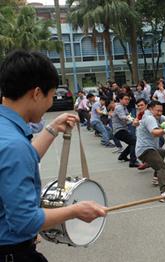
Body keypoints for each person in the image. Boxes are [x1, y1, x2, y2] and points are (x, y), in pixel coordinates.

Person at [0, 50, 106, 261]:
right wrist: (75, 210)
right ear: (37, 93)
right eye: (51, 95)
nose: (51, 102)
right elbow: (26, 221)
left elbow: (19, 161)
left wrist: (52, 129)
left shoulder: (6, 132)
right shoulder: (14, 145)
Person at [135, 101, 165, 202]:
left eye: (161, 111)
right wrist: (164, 130)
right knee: (161, 166)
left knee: (161, 152)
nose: (160, 113)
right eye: (158, 111)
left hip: (151, 148)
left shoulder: (156, 116)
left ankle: (157, 178)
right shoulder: (149, 118)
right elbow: (154, 133)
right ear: (151, 109)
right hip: (145, 149)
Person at [111, 93, 139, 168]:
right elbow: (122, 117)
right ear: (120, 99)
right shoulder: (119, 107)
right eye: (125, 99)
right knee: (134, 141)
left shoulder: (124, 107)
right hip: (119, 130)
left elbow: (128, 119)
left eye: (128, 99)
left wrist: (136, 122)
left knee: (132, 142)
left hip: (122, 130)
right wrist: (133, 120)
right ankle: (133, 161)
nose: (127, 101)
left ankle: (122, 156)